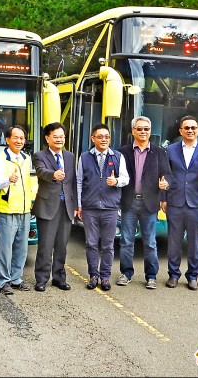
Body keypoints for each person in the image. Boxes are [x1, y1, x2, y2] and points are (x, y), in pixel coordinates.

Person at [163, 115, 198, 291]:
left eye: (193, 127)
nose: (190, 130)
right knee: (174, 241)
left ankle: (193, 276)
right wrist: (163, 198)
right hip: (175, 200)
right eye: (186, 127)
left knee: (195, 242)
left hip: (196, 202)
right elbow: (165, 174)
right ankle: (173, 275)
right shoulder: (170, 150)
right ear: (180, 131)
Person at [117, 116, 171, 290]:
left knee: (150, 242)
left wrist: (165, 187)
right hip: (128, 202)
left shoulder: (159, 152)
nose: (143, 132)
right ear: (133, 131)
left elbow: (167, 174)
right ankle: (126, 273)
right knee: (126, 241)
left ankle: (151, 276)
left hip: (150, 203)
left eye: (146, 129)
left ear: (150, 131)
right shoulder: (123, 152)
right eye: (139, 129)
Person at [77, 123, 129, 292]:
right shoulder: (84, 157)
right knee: (91, 244)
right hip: (90, 207)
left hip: (110, 208)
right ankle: (93, 275)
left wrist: (116, 181)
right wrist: (79, 204)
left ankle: (105, 277)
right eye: (100, 137)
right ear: (93, 138)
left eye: (106, 137)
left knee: (108, 245)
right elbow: (78, 181)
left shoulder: (118, 156)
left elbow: (126, 179)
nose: (104, 139)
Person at [32, 122, 77, 292]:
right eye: (56, 136)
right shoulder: (39, 155)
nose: (59, 140)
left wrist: (76, 205)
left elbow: (72, 183)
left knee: (61, 245)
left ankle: (59, 278)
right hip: (47, 205)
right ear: (47, 138)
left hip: (66, 206)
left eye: (62, 136)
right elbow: (41, 171)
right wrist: (54, 175)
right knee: (45, 245)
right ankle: (41, 279)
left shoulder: (70, 156)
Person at [0, 125, 33, 295]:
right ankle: (3, 281)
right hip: (7, 209)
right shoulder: (0, 158)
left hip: (24, 209)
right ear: (7, 140)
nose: (19, 141)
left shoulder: (26, 157)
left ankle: (16, 279)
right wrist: (8, 180)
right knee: (5, 248)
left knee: (21, 248)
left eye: (22, 138)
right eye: (15, 138)